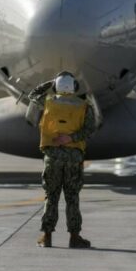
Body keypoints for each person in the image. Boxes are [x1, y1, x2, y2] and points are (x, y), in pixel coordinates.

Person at [28, 72, 96, 248]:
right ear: (73, 87)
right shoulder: (84, 106)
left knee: (51, 196)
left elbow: (33, 95)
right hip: (73, 156)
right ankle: (74, 237)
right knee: (72, 197)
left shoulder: (48, 101)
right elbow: (90, 128)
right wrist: (71, 138)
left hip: (53, 156)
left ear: (57, 86)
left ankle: (47, 237)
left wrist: (50, 83)